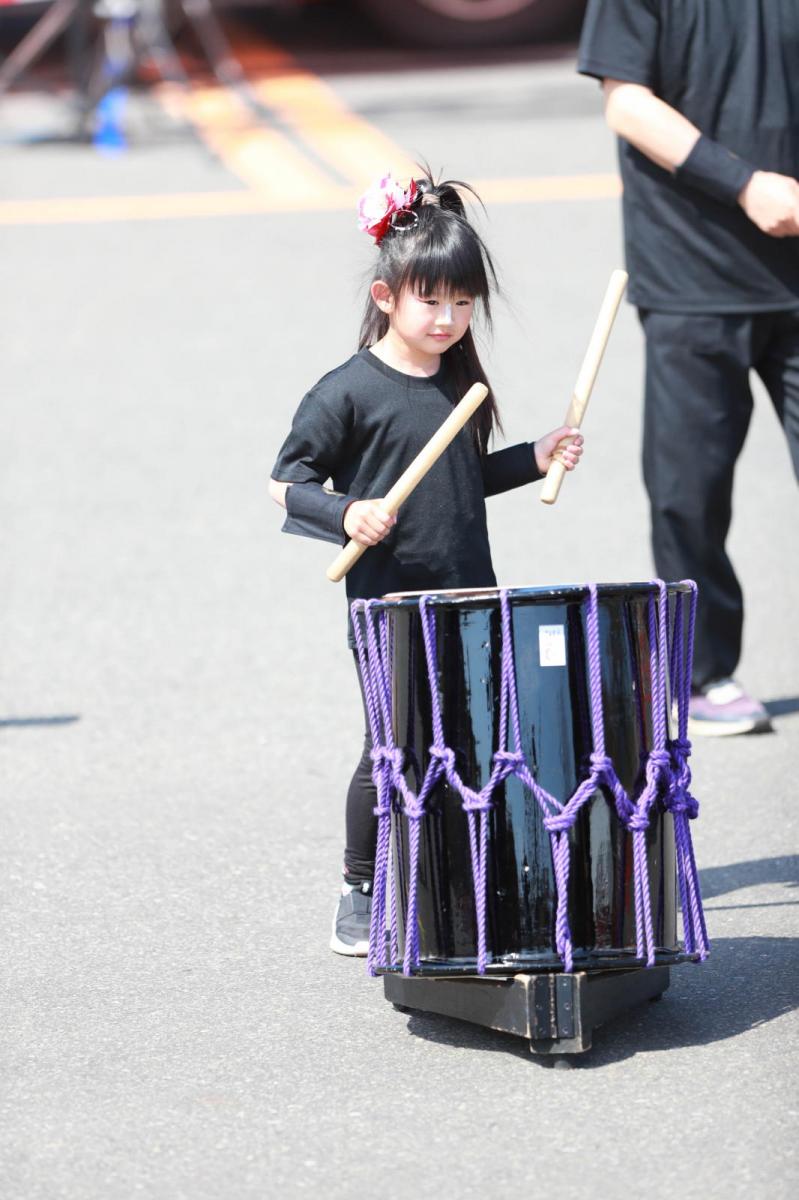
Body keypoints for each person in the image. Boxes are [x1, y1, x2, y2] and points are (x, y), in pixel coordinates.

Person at [269, 169, 584, 955]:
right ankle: (360, 883)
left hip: (470, 590)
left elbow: (460, 481)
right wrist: (347, 512)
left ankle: (458, 874)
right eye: (430, 301)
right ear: (386, 298)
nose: (447, 319)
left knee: (475, 735)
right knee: (394, 744)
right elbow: (283, 484)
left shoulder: (459, 383)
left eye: (462, 303)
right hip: (388, 603)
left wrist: (534, 457)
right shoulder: (346, 392)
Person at [577, 0, 799, 736]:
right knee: (688, 491)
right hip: (689, 271)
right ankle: (705, 674)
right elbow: (626, 103)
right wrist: (744, 184)